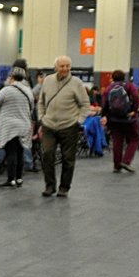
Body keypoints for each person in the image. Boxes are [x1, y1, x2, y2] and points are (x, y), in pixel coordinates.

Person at [37, 56, 90, 197]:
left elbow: (85, 105)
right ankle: (50, 186)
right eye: (62, 66)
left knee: (68, 158)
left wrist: (79, 120)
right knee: (47, 154)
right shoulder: (47, 81)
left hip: (69, 126)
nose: (65, 69)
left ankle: (64, 187)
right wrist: (41, 117)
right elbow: (41, 102)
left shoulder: (76, 83)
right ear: (56, 67)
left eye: (67, 66)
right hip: (49, 125)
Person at [0, 68, 34, 188]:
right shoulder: (28, 91)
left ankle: (10, 179)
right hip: (24, 124)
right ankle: (19, 178)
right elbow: (32, 108)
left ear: (11, 77)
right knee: (20, 151)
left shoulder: (7, 90)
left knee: (11, 152)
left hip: (10, 126)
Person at [103, 69, 139, 174]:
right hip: (129, 118)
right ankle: (126, 161)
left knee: (117, 141)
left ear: (113, 78)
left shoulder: (108, 88)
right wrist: (134, 110)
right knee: (134, 138)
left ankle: (116, 166)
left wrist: (106, 115)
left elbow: (105, 104)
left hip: (114, 119)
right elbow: (136, 98)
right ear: (124, 77)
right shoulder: (129, 86)